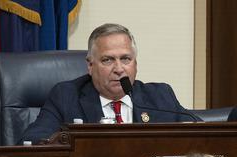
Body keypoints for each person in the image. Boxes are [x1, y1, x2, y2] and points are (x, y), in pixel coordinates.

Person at [20, 23, 195, 144]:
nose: (119, 69)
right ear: (90, 65)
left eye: (126, 59)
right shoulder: (67, 96)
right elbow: (31, 141)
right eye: (108, 60)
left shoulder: (159, 96)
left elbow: (203, 135)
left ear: (135, 64)